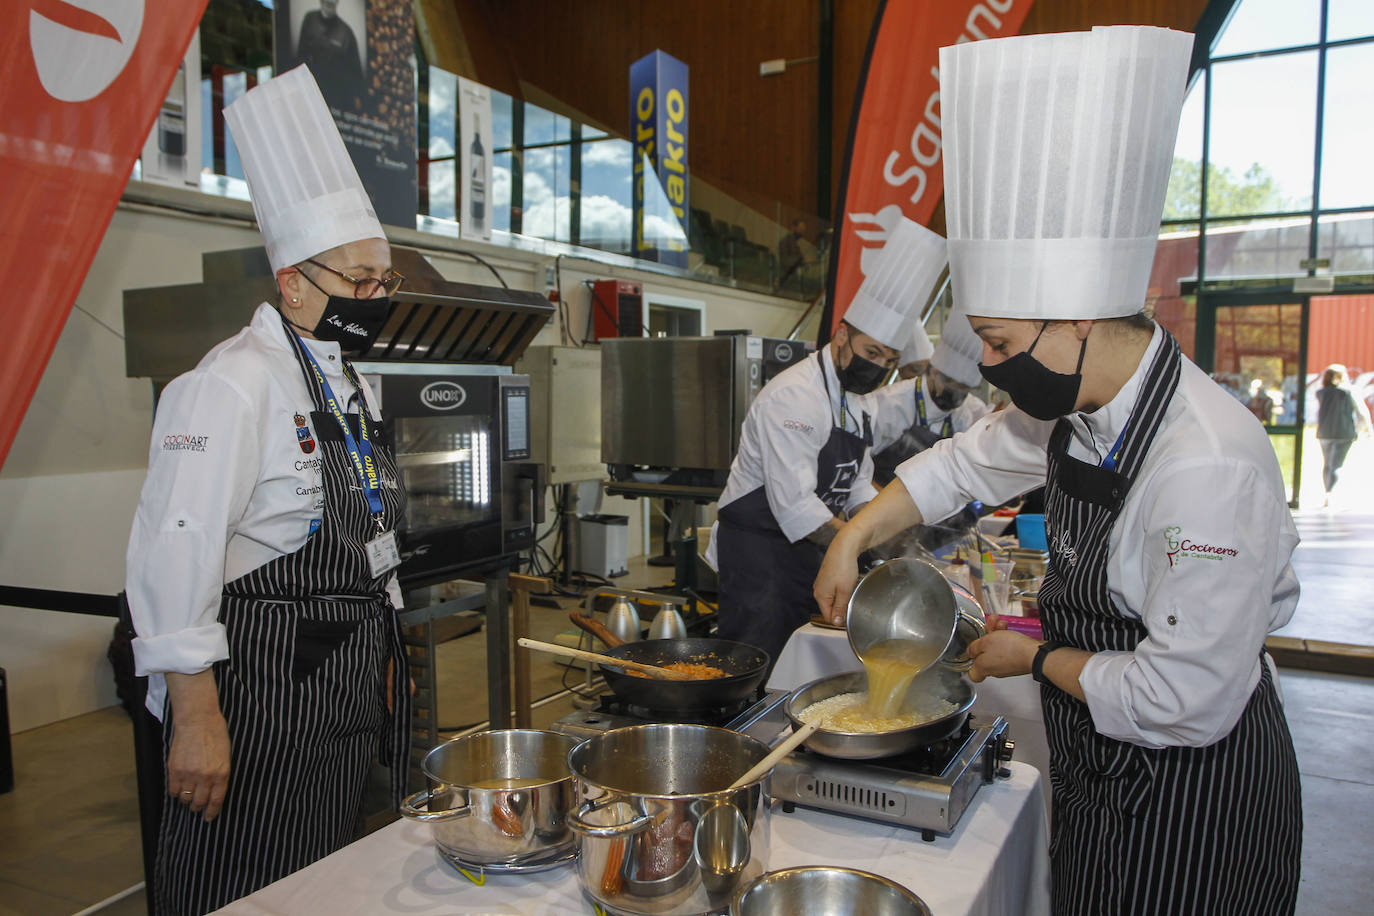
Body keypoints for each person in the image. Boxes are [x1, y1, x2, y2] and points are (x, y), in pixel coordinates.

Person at [814, 28, 1301, 915]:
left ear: (1076, 320)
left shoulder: (1208, 462)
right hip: (1097, 764)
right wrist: (852, 536)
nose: (992, 367)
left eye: (1000, 343)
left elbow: (1182, 697)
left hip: (1194, 793)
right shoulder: (1069, 408)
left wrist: (1038, 659)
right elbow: (959, 465)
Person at [126, 67, 408, 915]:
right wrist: (197, 717)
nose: (373, 300)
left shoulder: (356, 387)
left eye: (381, 283)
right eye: (358, 281)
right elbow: (176, 548)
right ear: (292, 282)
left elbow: (369, 533)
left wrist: (385, 644)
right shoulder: (228, 386)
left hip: (342, 694)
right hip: (257, 703)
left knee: (323, 881)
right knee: (240, 883)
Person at [707, 216, 936, 664]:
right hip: (760, 556)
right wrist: (861, 543)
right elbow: (796, 506)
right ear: (841, 335)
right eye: (872, 353)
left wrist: (894, 530)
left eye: (888, 361)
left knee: (803, 666)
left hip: (809, 555)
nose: (878, 368)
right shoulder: (795, 396)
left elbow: (855, 485)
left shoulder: (858, 399)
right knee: (754, 669)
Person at [870, 303, 991, 486]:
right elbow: (860, 470)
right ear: (933, 373)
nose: (958, 393)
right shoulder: (889, 403)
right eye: (951, 383)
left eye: (964, 388)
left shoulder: (972, 410)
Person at [1315, 363, 1370, 504]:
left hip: (1325, 432)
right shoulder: (1349, 391)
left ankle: (1326, 490)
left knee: (1327, 464)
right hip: (1344, 433)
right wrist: (1368, 428)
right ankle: (1330, 493)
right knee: (1336, 465)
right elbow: (1361, 411)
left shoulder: (1321, 392)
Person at [295, 0, 364, 111]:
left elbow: (356, 72)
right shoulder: (309, 20)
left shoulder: (346, 32)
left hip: (335, 99)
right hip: (310, 92)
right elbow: (300, 54)